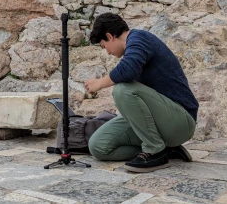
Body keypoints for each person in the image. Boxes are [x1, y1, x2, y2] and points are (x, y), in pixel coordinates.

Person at [84, 13, 198, 173]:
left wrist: (99, 83)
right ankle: (166, 150)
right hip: (160, 120)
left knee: (122, 89)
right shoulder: (133, 46)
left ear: (109, 36)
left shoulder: (140, 39)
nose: (107, 52)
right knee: (98, 146)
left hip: (181, 121)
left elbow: (128, 70)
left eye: (104, 47)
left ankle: (154, 150)